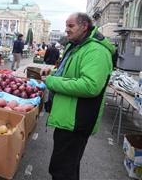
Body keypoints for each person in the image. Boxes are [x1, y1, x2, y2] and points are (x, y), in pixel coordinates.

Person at [41, 12, 115, 180]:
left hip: (76, 121)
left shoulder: (96, 51)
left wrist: (51, 82)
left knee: (61, 171)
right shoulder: (76, 46)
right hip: (67, 118)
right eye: (66, 25)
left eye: (71, 26)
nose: (66, 30)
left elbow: (90, 86)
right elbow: (70, 72)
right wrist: (53, 71)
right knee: (67, 167)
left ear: (84, 27)